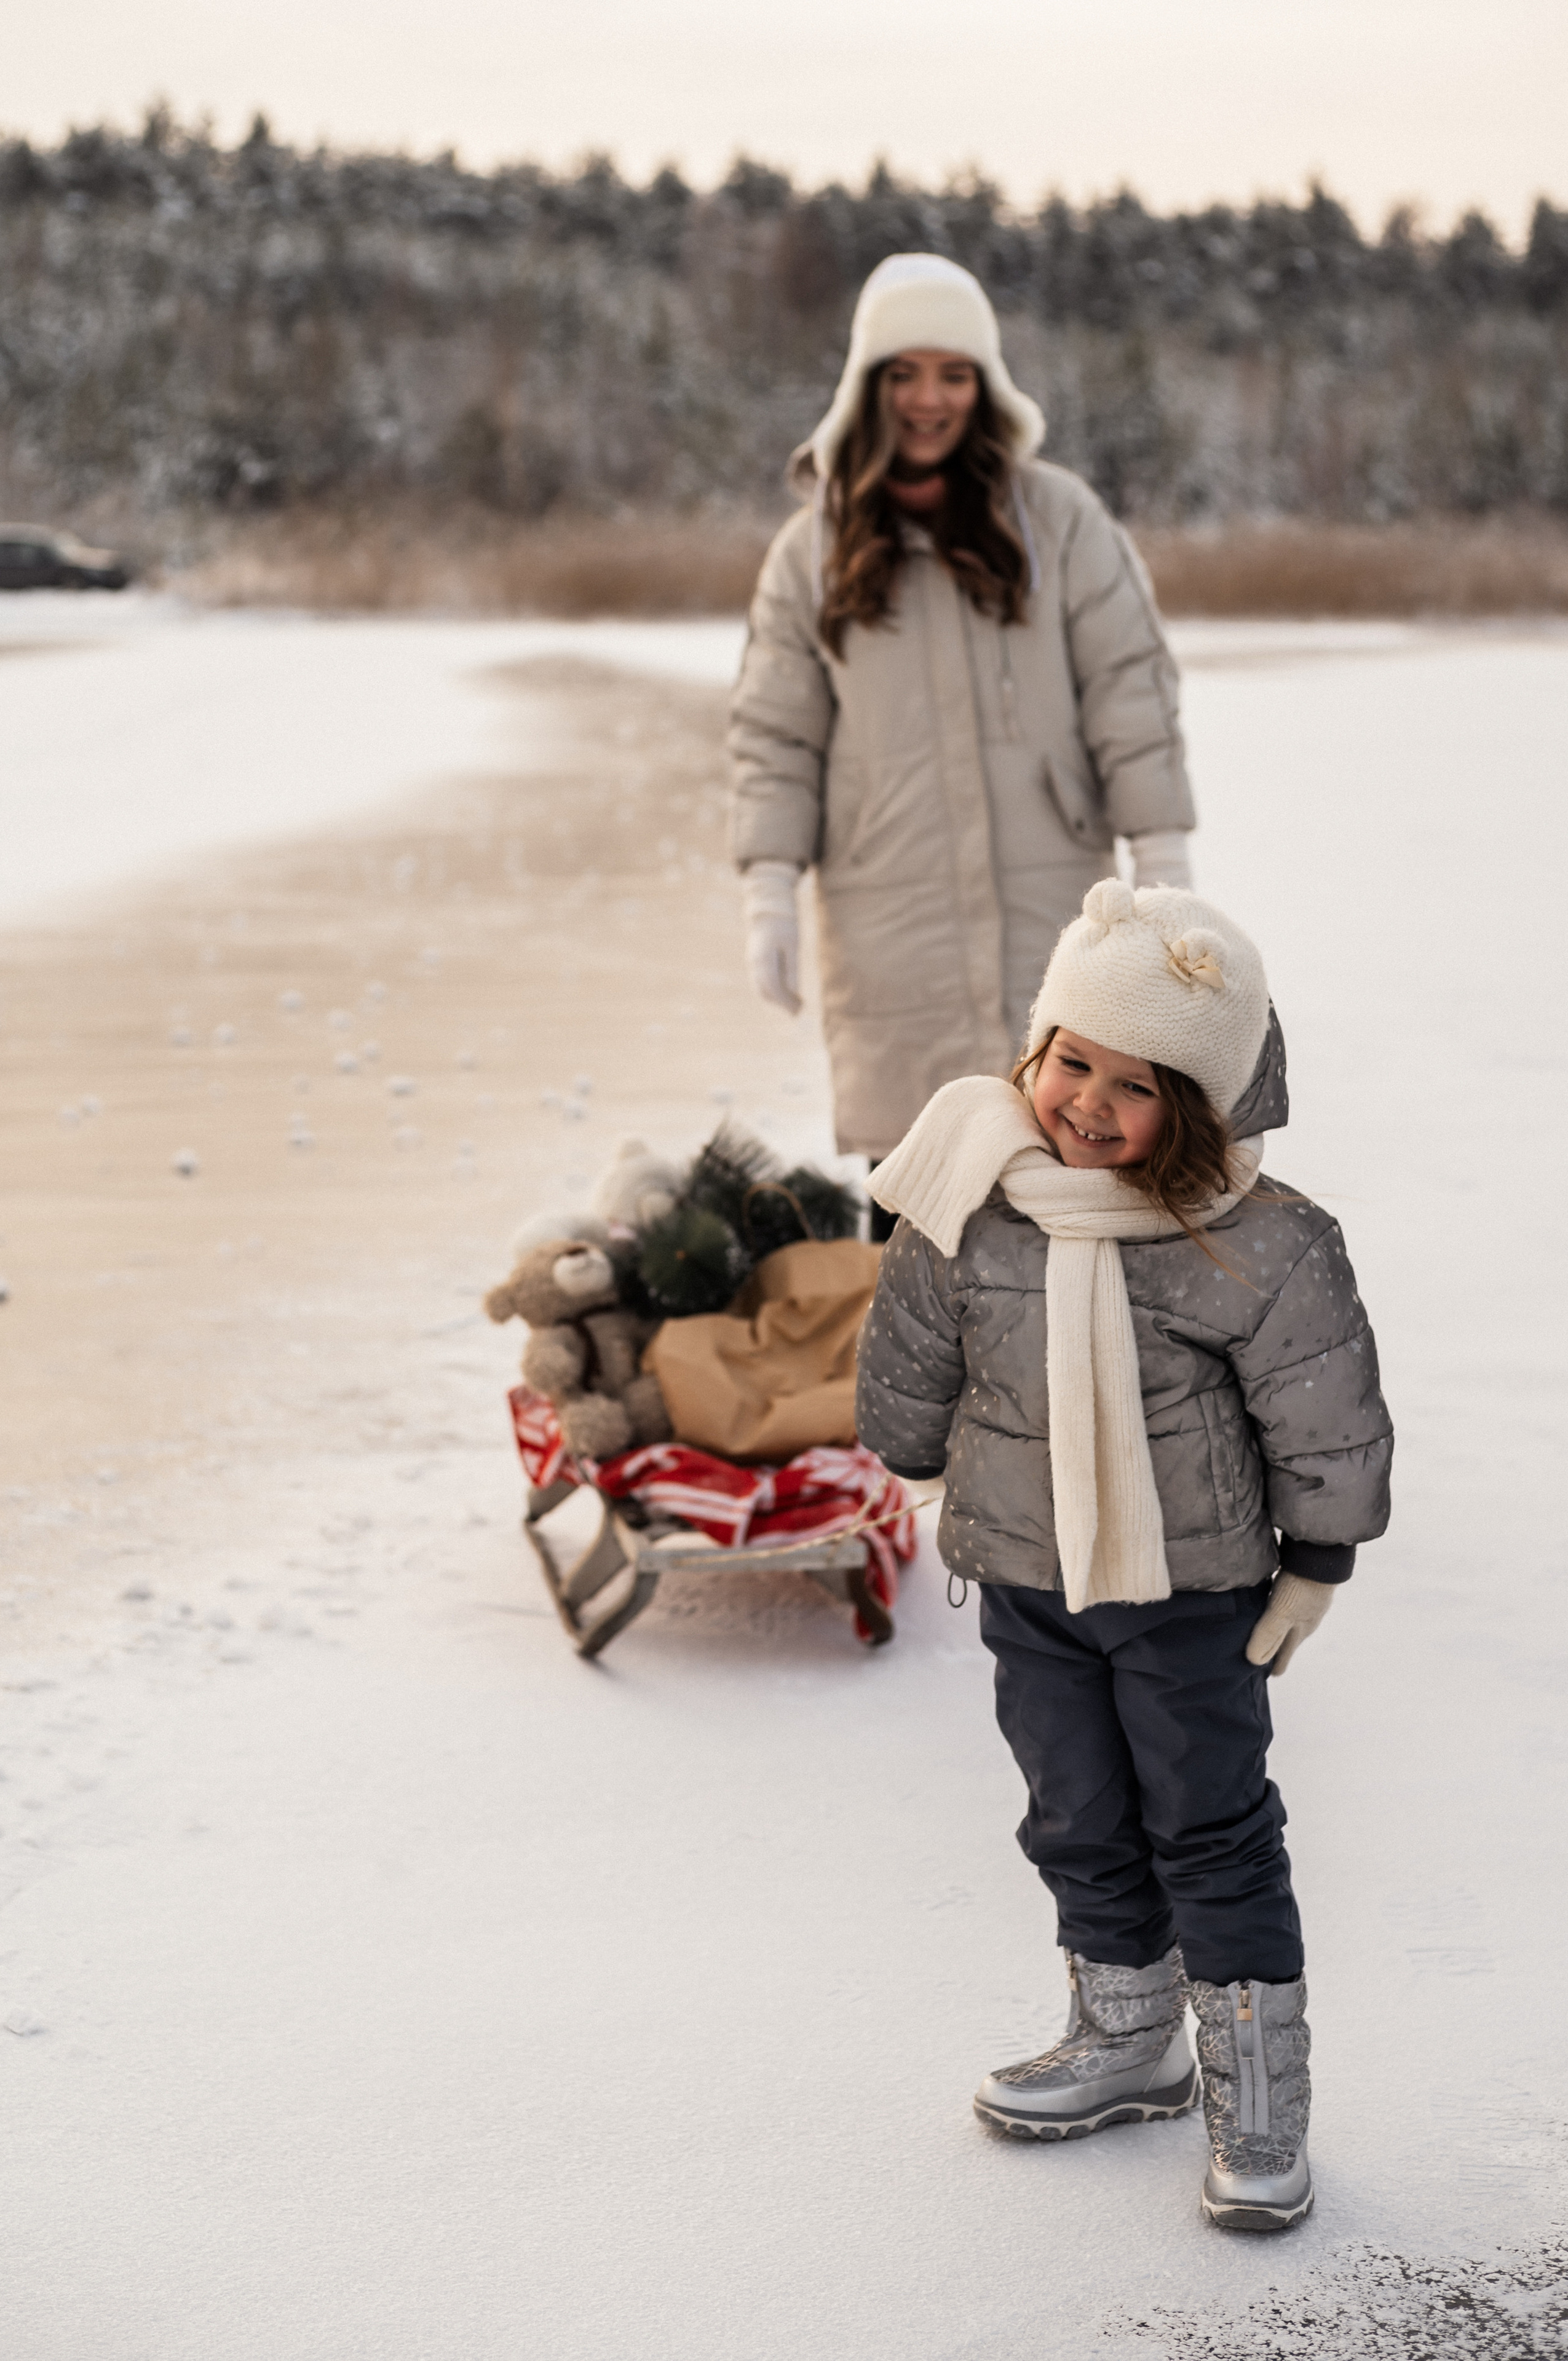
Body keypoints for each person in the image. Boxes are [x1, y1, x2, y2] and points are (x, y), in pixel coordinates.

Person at [854, 879, 1393, 2232]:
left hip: (1190, 1596)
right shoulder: (970, 1196)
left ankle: (1257, 2096)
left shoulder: (1256, 1241)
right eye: (1068, 1061)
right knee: (1075, 1815)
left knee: (1209, 1833)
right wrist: (918, 1464)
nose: (1084, 1102)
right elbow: (912, 1356)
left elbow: (1320, 1404)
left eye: (1134, 1085)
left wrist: (1314, 1558)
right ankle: (1126, 2034)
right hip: (1029, 1583)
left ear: (1198, 1109)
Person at [728, 253, 1195, 1235]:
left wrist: (1162, 854)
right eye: (903, 374)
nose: (928, 400)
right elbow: (777, 732)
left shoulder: (1060, 521)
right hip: (890, 919)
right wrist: (770, 881)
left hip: (1056, 910)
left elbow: (1130, 688)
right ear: (867, 387)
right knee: (918, 1214)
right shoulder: (810, 551)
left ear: (984, 385)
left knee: (1071, 1188)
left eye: (952, 374)